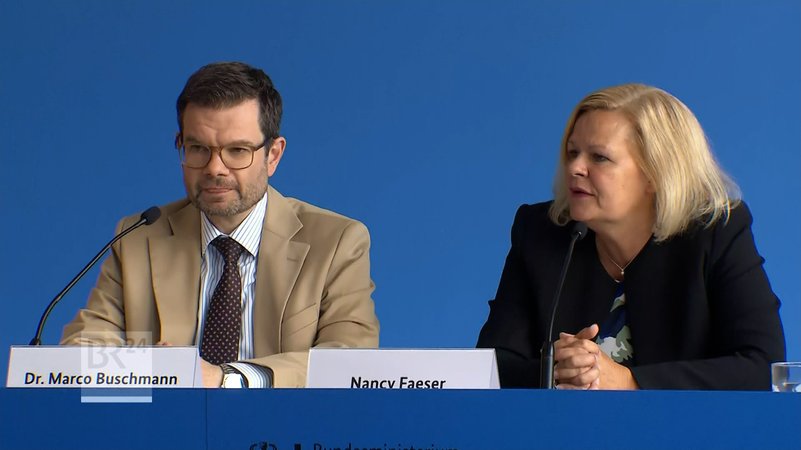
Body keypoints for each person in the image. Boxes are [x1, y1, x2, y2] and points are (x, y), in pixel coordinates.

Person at [61, 61, 379, 388]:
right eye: (198, 148)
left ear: (273, 155)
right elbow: (81, 349)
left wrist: (225, 379)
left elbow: (349, 360)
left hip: (283, 433)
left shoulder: (337, 242)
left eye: (237, 150)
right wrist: (143, 368)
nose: (215, 168)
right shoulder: (139, 237)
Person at [477, 83, 785, 390]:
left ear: (656, 174)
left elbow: (760, 365)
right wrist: (563, 371)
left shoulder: (715, 231)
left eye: (599, 157)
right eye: (572, 153)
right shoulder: (541, 233)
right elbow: (491, 365)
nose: (575, 168)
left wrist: (629, 381)